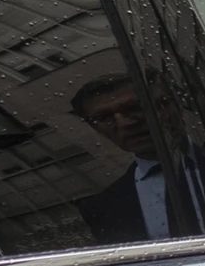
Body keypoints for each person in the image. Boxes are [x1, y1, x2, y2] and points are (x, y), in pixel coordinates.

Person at [71, 73, 176, 243]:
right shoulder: (101, 208)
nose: (125, 123)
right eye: (105, 118)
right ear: (95, 128)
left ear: (169, 105)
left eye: (136, 107)